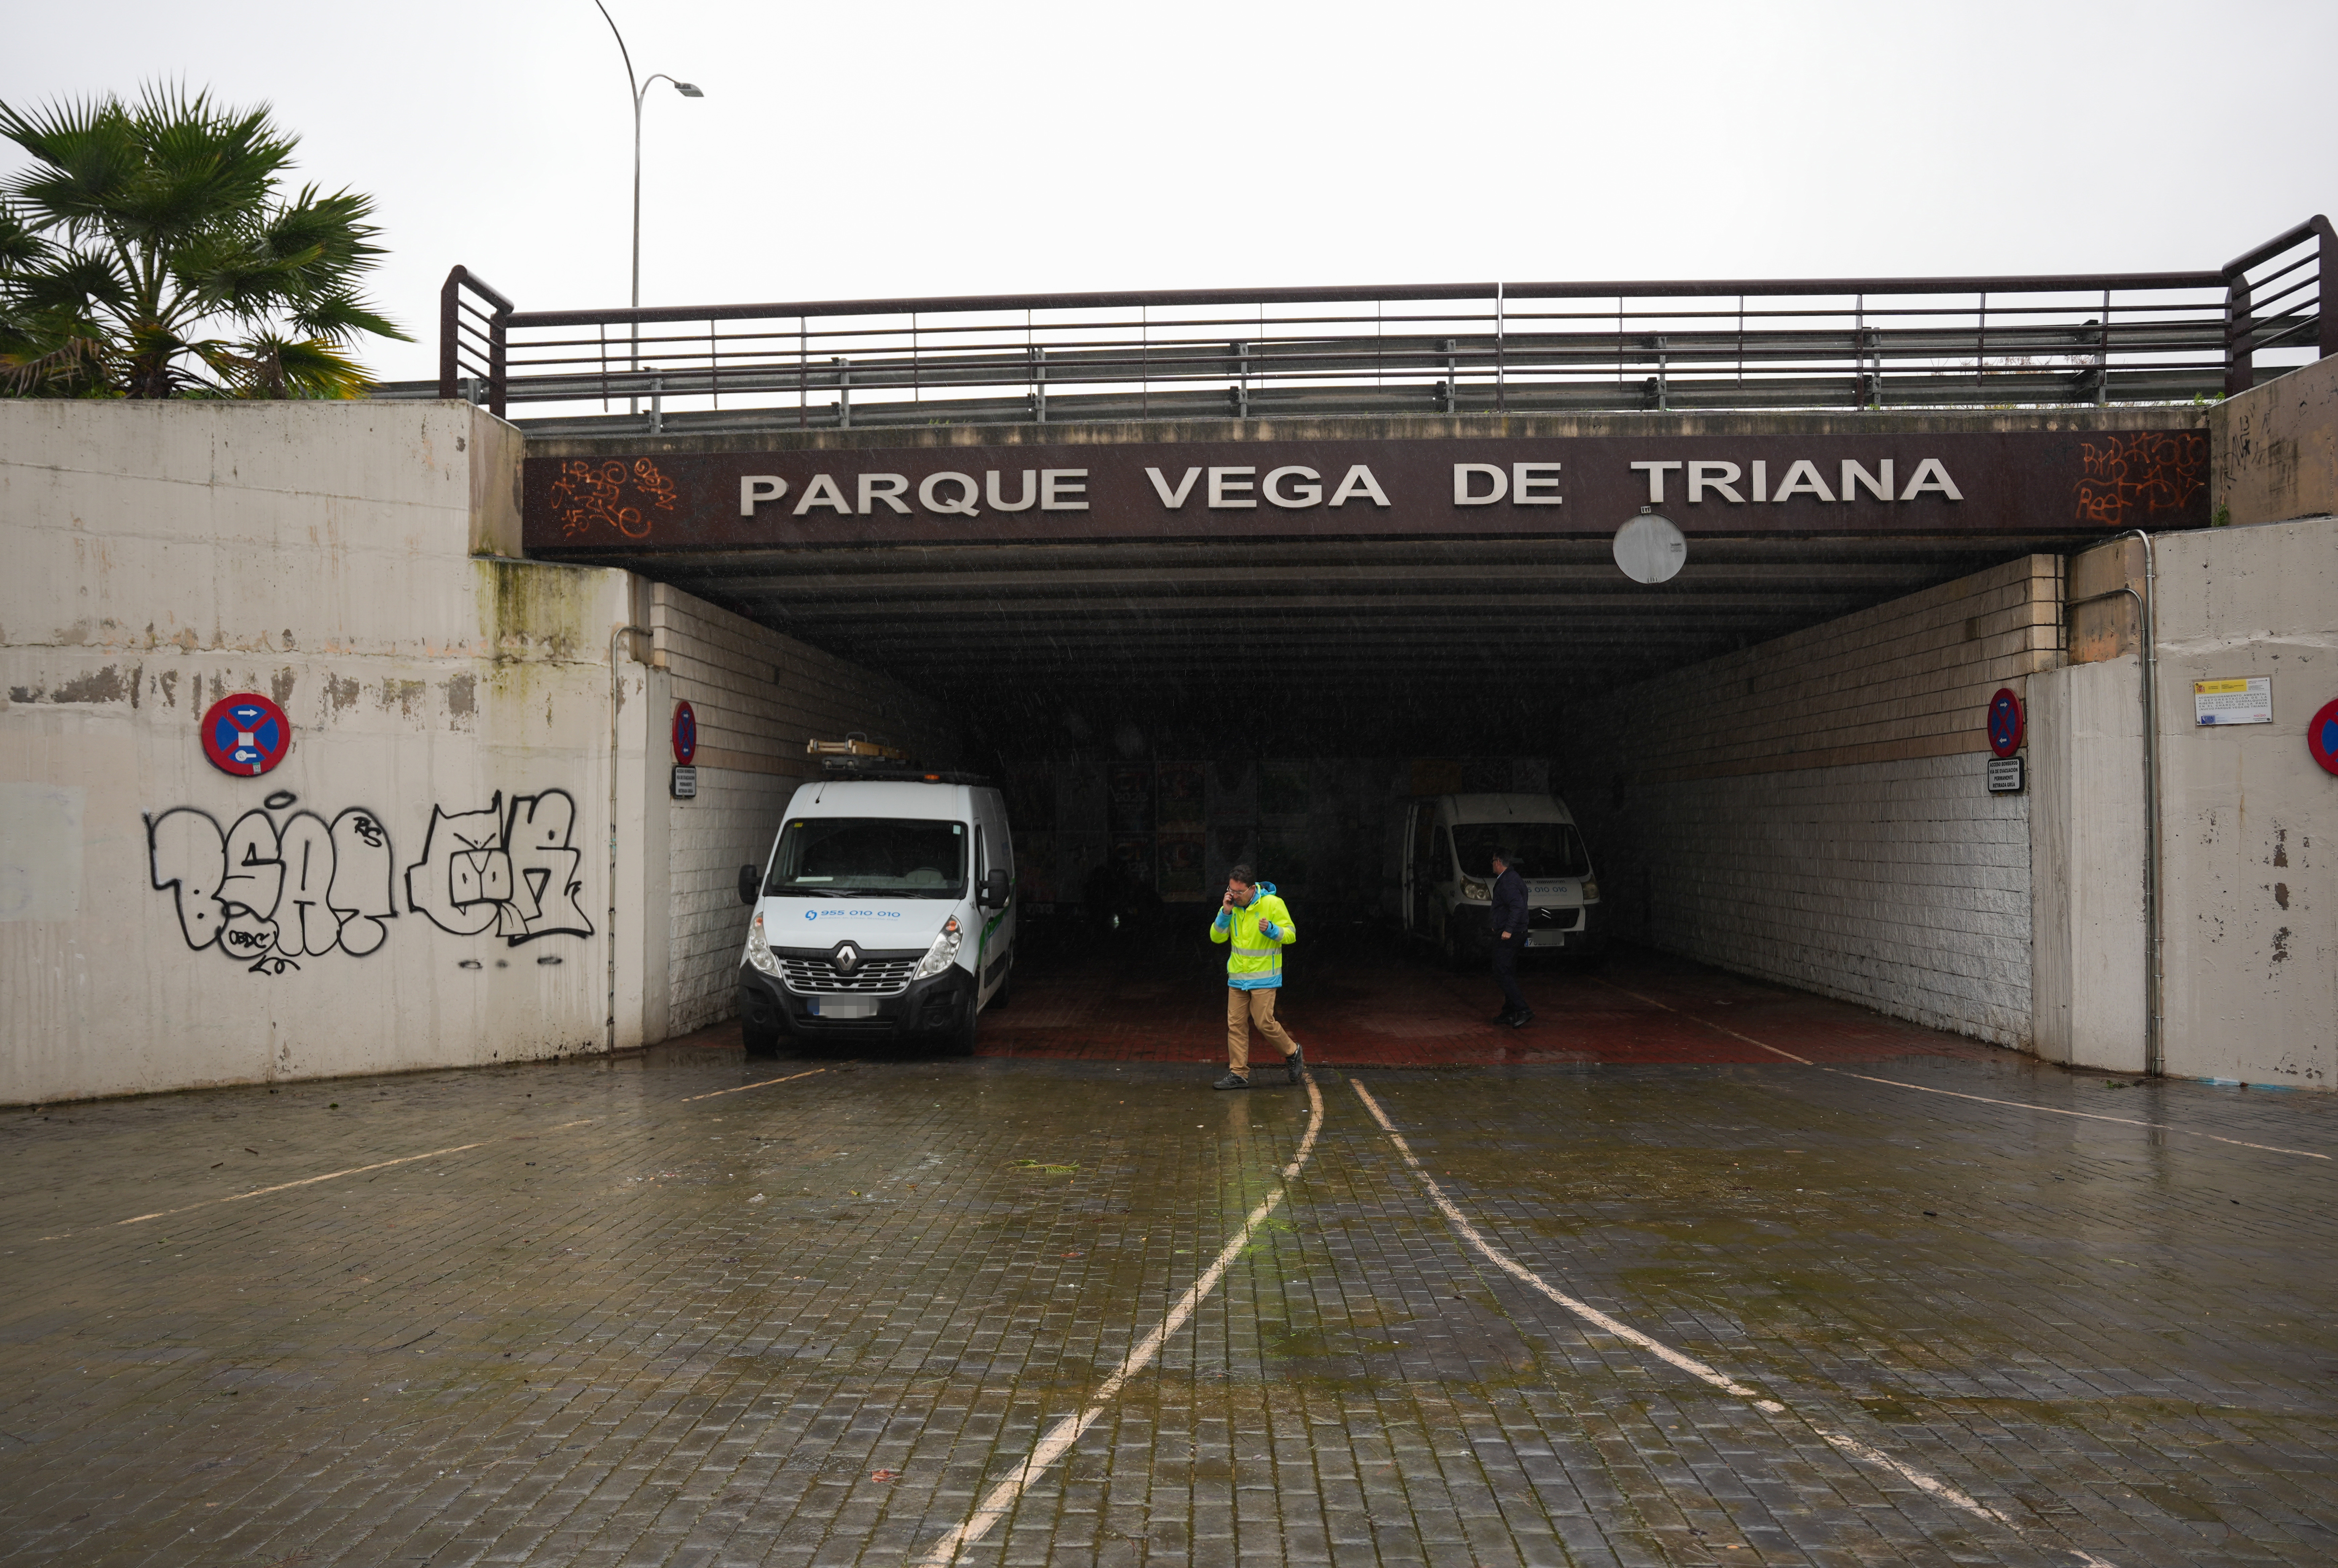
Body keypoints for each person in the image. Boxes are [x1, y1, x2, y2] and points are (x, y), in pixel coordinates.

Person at [1208, 864, 1305, 1089]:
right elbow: (1216, 938)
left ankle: (1292, 1051)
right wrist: (1225, 913)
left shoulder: (1272, 904)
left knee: (1264, 1023)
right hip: (1237, 978)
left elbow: (1291, 935)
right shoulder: (1230, 908)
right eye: (1230, 890)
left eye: (1238, 892)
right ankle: (1238, 1073)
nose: (1233, 895)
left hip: (1264, 978)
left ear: (1252, 889)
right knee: (1236, 1026)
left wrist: (1272, 930)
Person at [1489, 848, 1532, 1027]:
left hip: (1510, 936)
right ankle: (1509, 1012)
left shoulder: (1507, 882)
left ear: (1498, 862)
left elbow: (1517, 906)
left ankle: (1523, 1009)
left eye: (1493, 861)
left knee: (1501, 971)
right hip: (1517, 933)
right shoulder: (1513, 878)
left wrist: (1508, 930)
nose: (1492, 865)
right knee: (1508, 971)